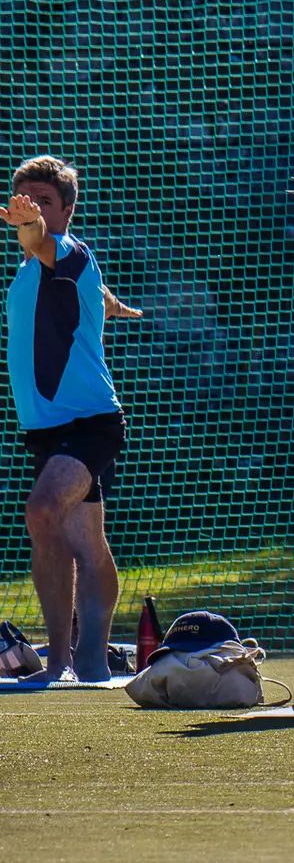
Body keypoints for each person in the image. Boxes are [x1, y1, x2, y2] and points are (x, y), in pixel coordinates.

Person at [5, 156, 139, 684]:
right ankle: (91, 656)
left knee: (41, 512)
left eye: (44, 201)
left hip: (90, 422)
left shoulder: (64, 249)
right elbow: (76, 290)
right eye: (24, 199)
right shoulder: (34, 270)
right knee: (84, 539)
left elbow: (42, 241)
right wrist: (110, 304)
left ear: (65, 210)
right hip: (45, 430)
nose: (33, 208)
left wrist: (29, 224)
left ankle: (59, 660)